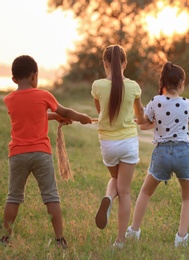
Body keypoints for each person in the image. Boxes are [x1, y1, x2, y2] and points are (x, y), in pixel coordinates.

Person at [1, 55, 92, 248]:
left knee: (13, 197)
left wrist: (53, 117)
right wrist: (81, 117)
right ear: (35, 76)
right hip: (41, 154)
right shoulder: (44, 95)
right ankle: (60, 239)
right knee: (51, 196)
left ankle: (5, 238)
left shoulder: (9, 100)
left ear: (14, 79)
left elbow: (32, 115)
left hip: (17, 154)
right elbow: (65, 112)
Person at [125, 61, 189, 248]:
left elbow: (144, 123)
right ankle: (181, 238)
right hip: (183, 151)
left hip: (162, 152)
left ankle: (133, 231)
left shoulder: (155, 101)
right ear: (182, 83)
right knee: (188, 197)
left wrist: (152, 123)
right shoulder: (187, 103)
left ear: (164, 82)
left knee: (145, 192)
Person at [91, 45, 146, 249]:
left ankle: (107, 197)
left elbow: (100, 111)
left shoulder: (97, 86)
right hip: (128, 142)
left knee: (115, 180)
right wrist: (141, 119)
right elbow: (140, 115)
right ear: (125, 63)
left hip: (108, 144)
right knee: (124, 191)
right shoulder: (133, 86)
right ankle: (120, 240)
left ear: (105, 64)